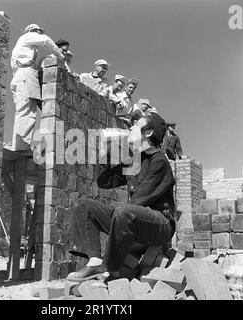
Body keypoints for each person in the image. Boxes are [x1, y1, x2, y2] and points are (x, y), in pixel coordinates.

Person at [67, 113, 176, 283]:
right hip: (134, 216)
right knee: (85, 205)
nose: (131, 128)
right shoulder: (135, 160)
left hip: (161, 223)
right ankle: (95, 262)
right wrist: (106, 155)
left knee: (123, 211)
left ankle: (111, 268)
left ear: (147, 132)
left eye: (136, 124)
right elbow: (104, 181)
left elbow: (140, 200)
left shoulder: (159, 161)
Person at [10, 24, 65, 151]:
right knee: (27, 111)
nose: (39, 35)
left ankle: (18, 146)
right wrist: (61, 57)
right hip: (26, 74)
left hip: (19, 76)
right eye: (38, 32)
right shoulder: (27, 37)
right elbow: (46, 41)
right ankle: (22, 147)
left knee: (22, 110)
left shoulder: (22, 46)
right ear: (34, 31)